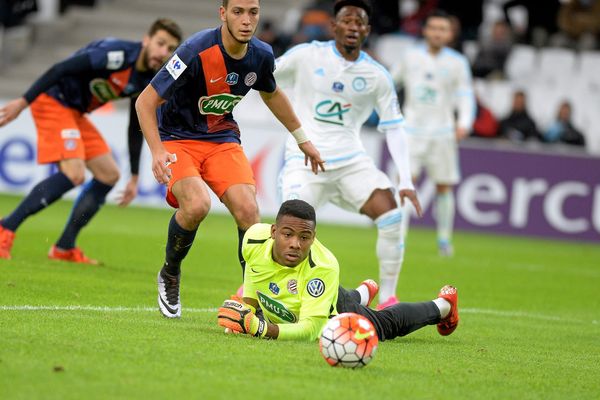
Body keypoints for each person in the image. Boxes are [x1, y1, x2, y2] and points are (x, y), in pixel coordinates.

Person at [135, 0, 325, 319]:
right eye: (238, 12)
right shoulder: (193, 51)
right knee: (196, 206)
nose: (246, 20)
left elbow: (272, 93)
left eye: (253, 12)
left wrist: (303, 139)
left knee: (250, 211)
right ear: (223, 14)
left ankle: (252, 298)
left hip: (221, 138)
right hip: (177, 138)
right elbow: (145, 102)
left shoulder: (261, 55)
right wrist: (156, 151)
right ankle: (170, 272)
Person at [276, 0, 422, 310]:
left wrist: (406, 179)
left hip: (351, 162)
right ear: (334, 26)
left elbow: (394, 127)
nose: (353, 26)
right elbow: (267, 80)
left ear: (367, 30)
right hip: (304, 162)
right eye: (347, 20)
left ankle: (388, 298)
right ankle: (266, 286)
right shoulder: (306, 56)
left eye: (360, 22)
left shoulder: (376, 75)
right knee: (290, 228)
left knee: (391, 213)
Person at [0, 18, 183, 263]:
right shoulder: (115, 55)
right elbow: (60, 69)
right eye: (161, 44)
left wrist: (135, 176)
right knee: (74, 173)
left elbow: (136, 124)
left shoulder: (147, 80)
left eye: (171, 49)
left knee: (108, 174)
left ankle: (64, 247)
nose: (164, 53)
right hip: (54, 100)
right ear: (146, 40)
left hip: (75, 113)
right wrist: (22, 103)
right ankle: (5, 227)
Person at [217, 199, 459, 341]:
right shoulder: (253, 238)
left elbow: (312, 329)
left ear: (314, 237)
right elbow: (254, 270)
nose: (295, 244)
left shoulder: (323, 266)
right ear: (273, 232)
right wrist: (248, 305)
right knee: (293, 302)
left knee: (384, 325)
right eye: (287, 234)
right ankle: (364, 292)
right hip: (302, 299)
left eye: (305, 237)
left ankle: (443, 306)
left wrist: (260, 328)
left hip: (333, 308)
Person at [391, 10, 475, 257]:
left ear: (450, 34)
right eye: (434, 28)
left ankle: (444, 240)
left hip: (442, 133)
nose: (438, 33)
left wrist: (465, 123)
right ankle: (399, 238)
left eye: (443, 29)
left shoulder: (458, 62)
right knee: (405, 183)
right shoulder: (411, 57)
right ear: (425, 30)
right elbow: (389, 84)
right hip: (411, 131)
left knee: (444, 186)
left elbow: (465, 95)